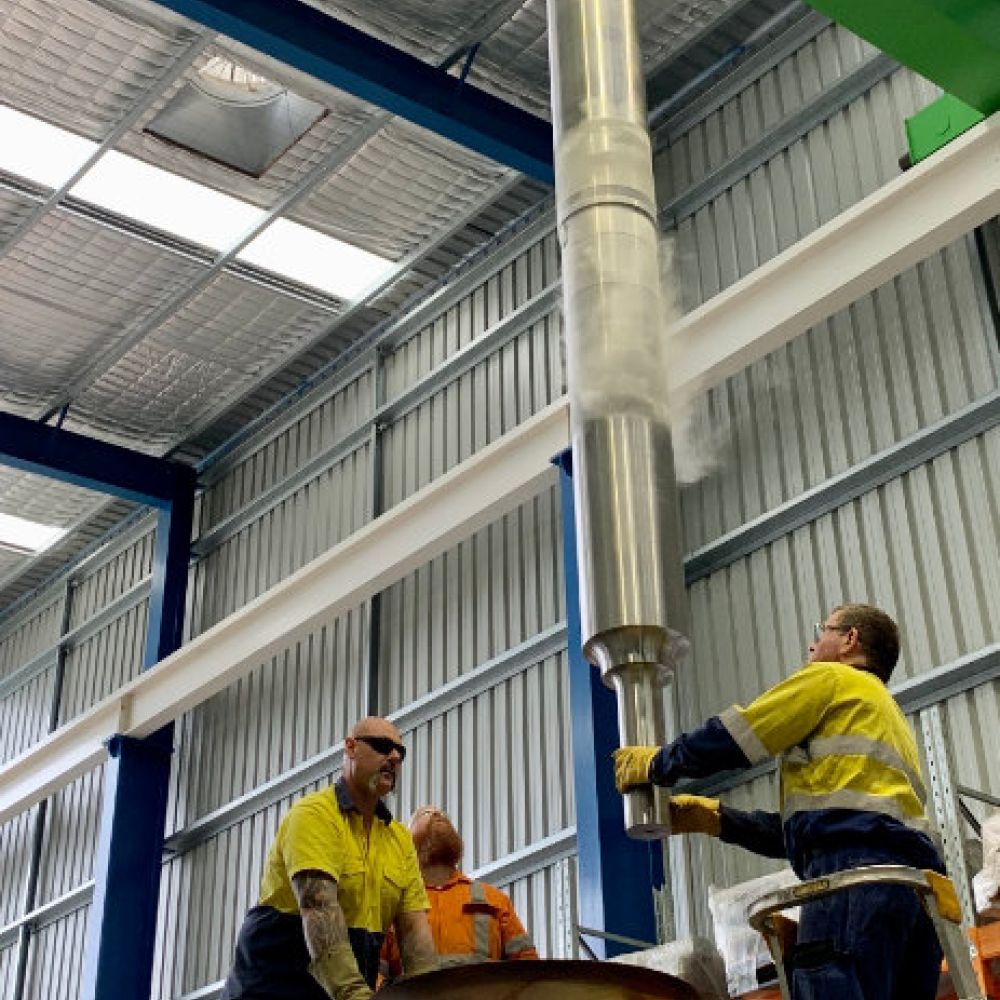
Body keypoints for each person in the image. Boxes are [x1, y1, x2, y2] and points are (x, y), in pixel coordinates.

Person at [613, 603, 945, 1000]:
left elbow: (740, 734)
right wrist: (717, 819)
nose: (812, 645)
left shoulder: (831, 679)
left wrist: (659, 763)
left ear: (849, 639)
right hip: (914, 895)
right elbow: (829, 824)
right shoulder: (887, 716)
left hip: (851, 882)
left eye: (822, 630)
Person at [220, 716, 437, 1000]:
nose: (394, 757)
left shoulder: (399, 840)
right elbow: (319, 908)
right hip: (270, 989)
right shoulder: (314, 816)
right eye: (382, 746)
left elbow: (414, 933)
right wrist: (355, 995)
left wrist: (431, 994)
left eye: (401, 752)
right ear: (350, 748)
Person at [380, 806, 539, 981]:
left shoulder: (494, 899)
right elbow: (373, 975)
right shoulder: (392, 906)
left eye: (442, 815)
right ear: (406, 844)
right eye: (425, 814)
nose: (437, 814)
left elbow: (528, 968)